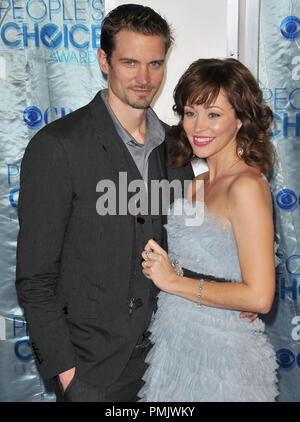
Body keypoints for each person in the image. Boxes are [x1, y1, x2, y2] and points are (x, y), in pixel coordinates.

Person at [15, 4, 195, 402]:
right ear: (103, 61)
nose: (145, 78)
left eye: (155, 63)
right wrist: (66, 375)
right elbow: (35, 279)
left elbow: (188, 248)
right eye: (130, 62)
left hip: (171, 364)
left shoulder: (178, 149)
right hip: (93, 374)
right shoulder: (57, 147)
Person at [138, 58, 279, 402]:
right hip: (176, 347)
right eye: (190, 112)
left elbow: (260, 297)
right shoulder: (196, 183)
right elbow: (214, 262)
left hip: (223, 362)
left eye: (213, 114)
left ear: (240, 119)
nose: (198, 125)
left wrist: (173, 281)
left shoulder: (246, 186)